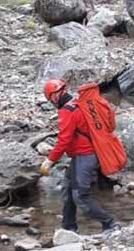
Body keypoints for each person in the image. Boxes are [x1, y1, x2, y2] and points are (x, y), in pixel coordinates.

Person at [40, 78, 119, 235]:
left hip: (85, 155)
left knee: (80, 196)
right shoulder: (79, 104)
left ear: (54, 97)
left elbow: (64, 140)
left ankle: (110, 224)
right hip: (83, 155)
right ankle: (68, 227)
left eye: (50, 100)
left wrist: (50, 160)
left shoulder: (66, 111)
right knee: (67, 189)